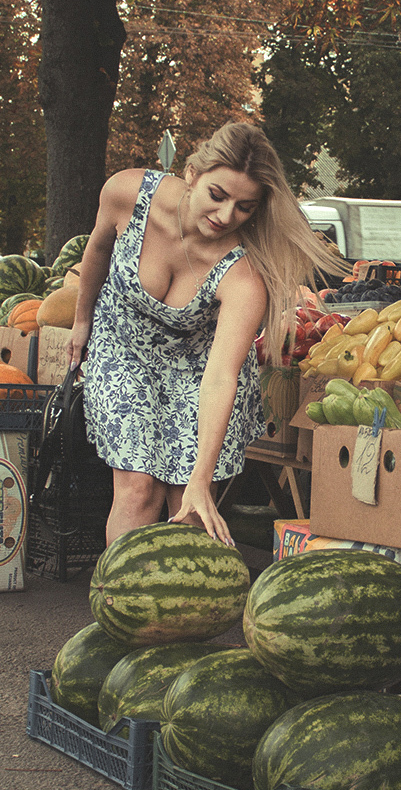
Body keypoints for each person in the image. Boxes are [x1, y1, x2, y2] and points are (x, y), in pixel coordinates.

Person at [68, 121, 346, 547]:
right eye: (217, 196)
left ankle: (181, 610)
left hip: (199, 370)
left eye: (244, 207)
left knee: (189, 506)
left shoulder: (243, 275)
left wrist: (201, 478)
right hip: (124, 346)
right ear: (193, 174)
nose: (225, 216)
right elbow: (98, 249)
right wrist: (82, 319)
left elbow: (220, 376)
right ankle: (123, 607)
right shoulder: (127, 192)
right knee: (139, 492)